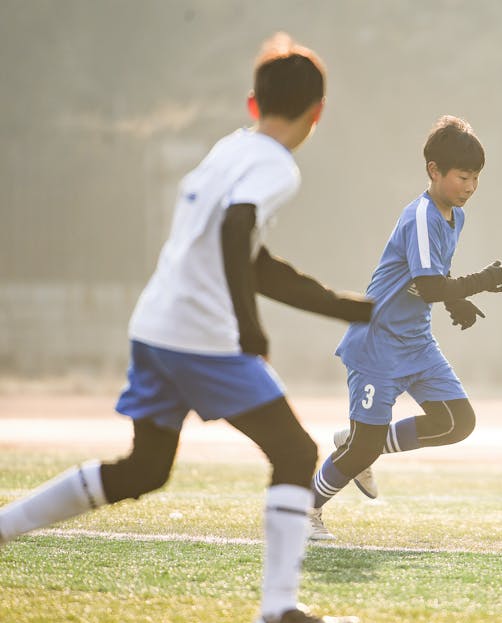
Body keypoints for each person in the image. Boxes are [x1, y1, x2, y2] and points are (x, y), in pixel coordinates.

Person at [0, 32, 366, 623]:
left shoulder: (229, 149)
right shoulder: (277, 166)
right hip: (200, 337)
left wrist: (351, 308)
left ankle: (2, 527)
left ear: (253, 103)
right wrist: (249, 329)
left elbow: (252, 259)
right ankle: (278, 609)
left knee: (144, 469)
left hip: (154, 328)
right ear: (317, 113)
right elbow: (237, 229)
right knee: (296, 453)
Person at [307, 115, 502, 540]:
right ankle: (304, 510)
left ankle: (358, 443)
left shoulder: (455, 217)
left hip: (416, 344)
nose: (471, 186)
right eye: (463, 177)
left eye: (476, 177)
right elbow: (429, 285)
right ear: (434, 170)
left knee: (457, 422)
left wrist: (458, 301)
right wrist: (481, 282)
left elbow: (435, 274)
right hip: (377, 344)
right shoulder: (419, 215)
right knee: (364, 446)